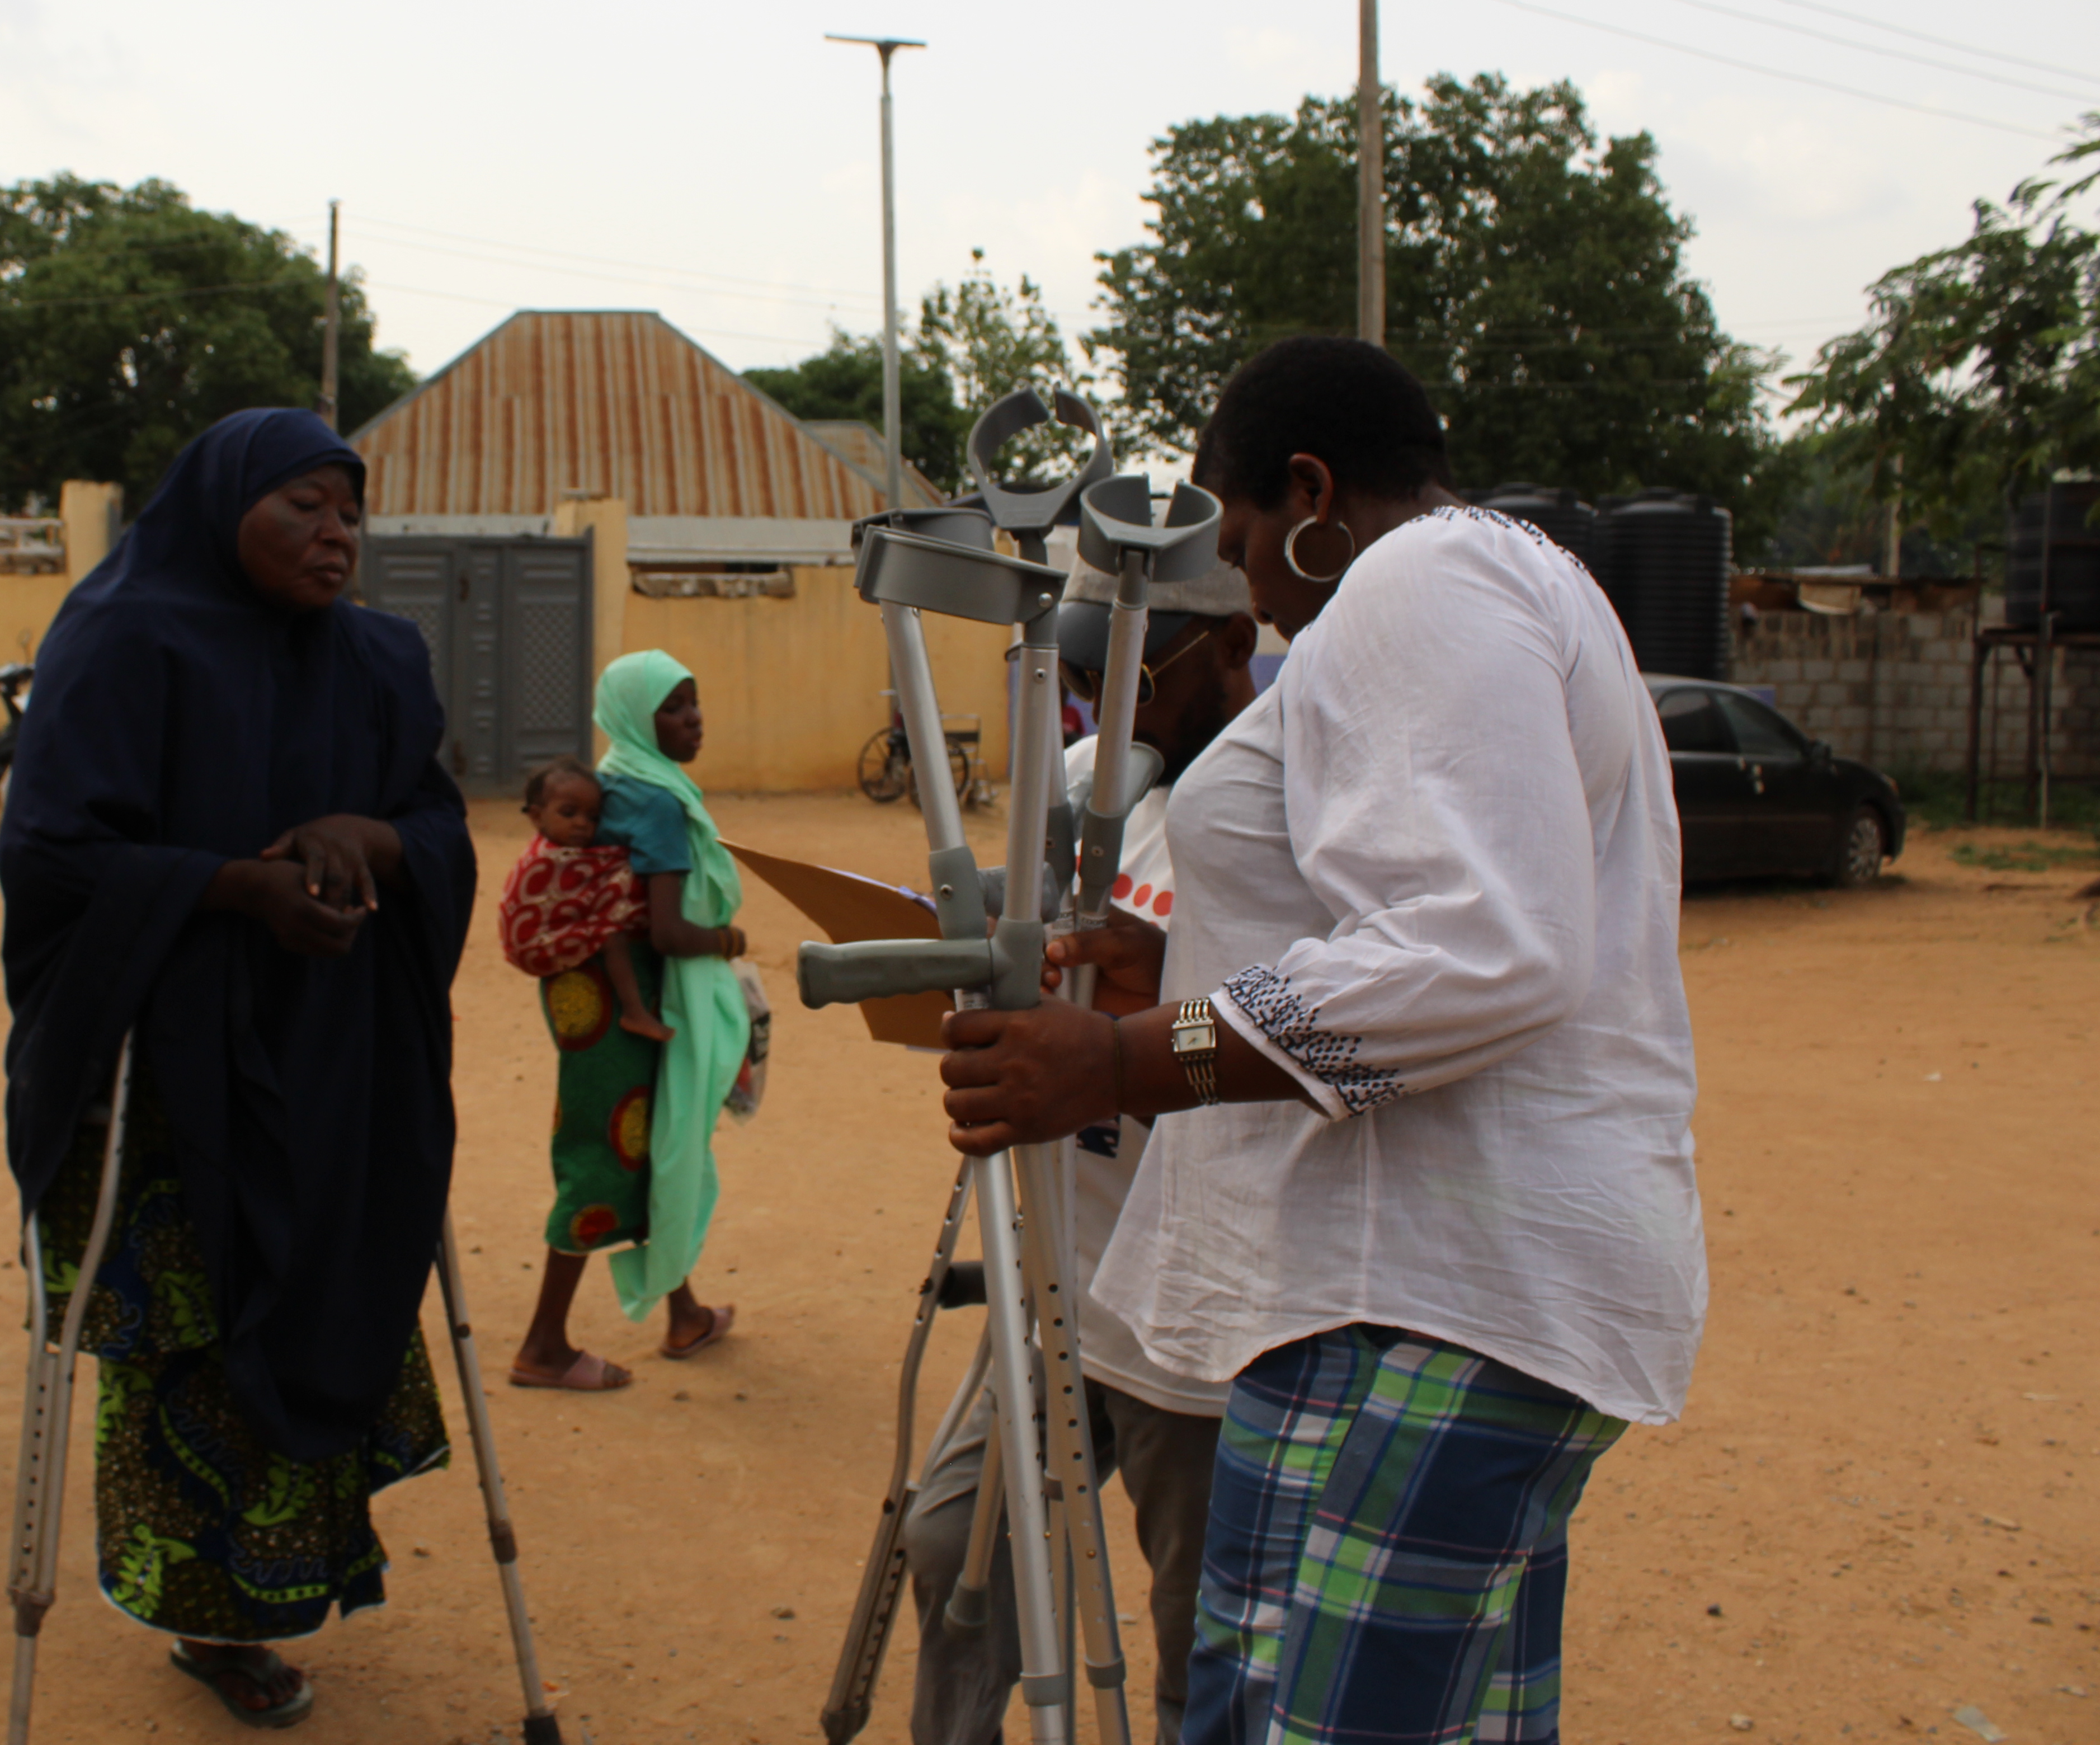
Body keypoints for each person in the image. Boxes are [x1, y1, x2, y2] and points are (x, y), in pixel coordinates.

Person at [936, 337, 1706, 1743]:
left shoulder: (1422, 579)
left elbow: (1481, 947)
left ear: (1307, 490)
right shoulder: (1475, 593)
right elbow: (1400, 920)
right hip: (1363, 1291)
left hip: (1440, 1297)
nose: (1241, 583)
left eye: (1238, 541)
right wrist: (1180, 969)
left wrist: (1119, 1061)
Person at [0, 408, 475, 1730]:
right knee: (198, 1335)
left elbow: (440, 823)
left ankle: (278, 1586)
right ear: (223, 508)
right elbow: (49, 856)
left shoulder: (381, 657)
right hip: (168, 1073)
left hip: (336, 1056)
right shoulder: (120, 639)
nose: (336, 535)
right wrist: (234, 890)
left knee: (327, 1293)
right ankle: (207, 1612)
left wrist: (365, 838)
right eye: (302, 508)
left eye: (349, 513)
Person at [902, 558, 1261, 1745]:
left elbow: (1314, 1058)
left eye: (1135, 676)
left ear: (1231, 644)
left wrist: (1151, 1023)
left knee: (1200, 1633)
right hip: (1069, 1268)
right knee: (956, 1545)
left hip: (1207, 1321)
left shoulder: (1287, 816)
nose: (1107, 709)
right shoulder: (1078, 788)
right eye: (1083, 678)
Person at [508, 652, 745, 1393]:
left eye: (695, 703)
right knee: (606, 1152)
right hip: (622, 1002)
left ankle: (685, 1312)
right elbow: (672, 932)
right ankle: (543, 1346)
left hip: (588, 997)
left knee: (652, 1142)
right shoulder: (661, 801)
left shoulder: (615, 778)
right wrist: (727, 941)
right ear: (638, 720)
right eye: (673, 708)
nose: (693, 719)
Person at [498, 756, 670, 1042]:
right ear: (538, 817)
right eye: (569, 813)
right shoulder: (546, 858)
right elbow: (609, 869)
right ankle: (634, 1012)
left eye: (593, 817)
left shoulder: (570, 853)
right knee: (610, 937)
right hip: (533, 944)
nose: (582, 824)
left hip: (546, 940)